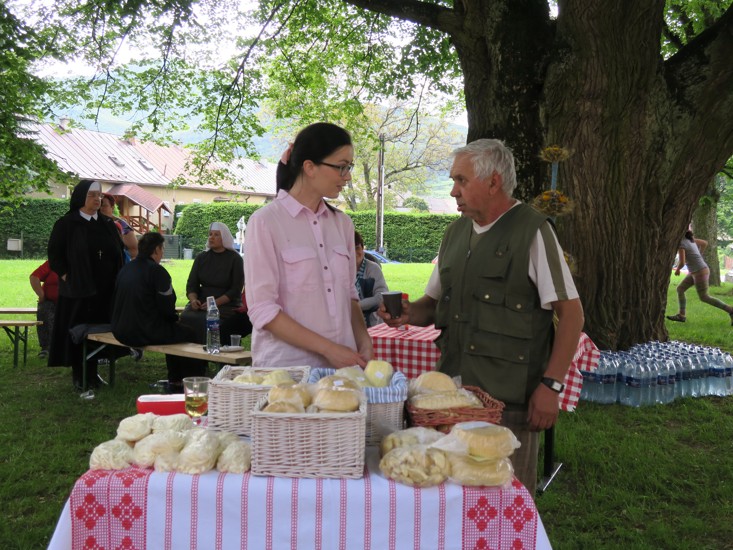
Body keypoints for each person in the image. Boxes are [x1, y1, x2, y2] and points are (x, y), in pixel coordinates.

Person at [378, 139, 584, 495]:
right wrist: (410, 314)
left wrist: (551, 386)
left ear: (493, 182)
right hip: (452, 400)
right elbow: (433, 303)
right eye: (453, 181)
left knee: (506, 497)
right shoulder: (454, 233)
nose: (453, 191)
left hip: (509, 403)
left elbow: (571, 314)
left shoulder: (532, 231)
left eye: (461, 180)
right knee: (451, 496)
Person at [244, 122, 372, 369]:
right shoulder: (265, 222)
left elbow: (349, 295)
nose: (347, 176)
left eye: (349, 167)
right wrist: (328, 349)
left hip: (342, 371)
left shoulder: (342, 224)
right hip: (287, 372)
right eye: (341, 167)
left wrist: (364, 341)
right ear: (310, 167)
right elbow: (263, 309)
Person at [47, 179, 125, 390]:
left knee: (99, 332)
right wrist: (67, 277)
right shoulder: (67, 224)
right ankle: (79, 375)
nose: (97, 199)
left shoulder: (107, 224)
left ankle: (93, 373)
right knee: (78, 333)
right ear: (81, 197)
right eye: (92, 195)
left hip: (105, 291)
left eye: (99, 195)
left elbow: (118, 252)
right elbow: (55, 255)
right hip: (78, 291)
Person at [111, 232, 206, 390]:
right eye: (162, 249)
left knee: (173, 331)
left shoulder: (126, 269)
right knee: (189, 333)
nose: (162, 253)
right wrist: (174, 319)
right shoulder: (157, 271)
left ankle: (176, 380)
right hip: (142, 331)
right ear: (156, 250)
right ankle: (192, 383)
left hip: (119, 329)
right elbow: (167, 308)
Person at [180, 222, 245, 346]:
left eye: (216, 235)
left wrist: (215, 303)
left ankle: (211, 351)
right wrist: (193, 300)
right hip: (202, 303)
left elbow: (235, 289)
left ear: (224, 237)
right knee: (186, 317)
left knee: (208, 319)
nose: (211, 237)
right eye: (210, 234)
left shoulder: (235, 259)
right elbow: (192, 284)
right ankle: (189, 356)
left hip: (226, 304)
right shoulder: (201, 258)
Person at [667, 230, 733, 324]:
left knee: (704, 297)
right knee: (680, 289)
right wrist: (699, 254)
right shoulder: (690, 240)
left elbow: (682, 262)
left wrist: (677, 269)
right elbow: (704, 243)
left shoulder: (681, 243)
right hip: (695, 271)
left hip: (700, 272)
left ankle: (730, 310)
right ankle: (681, 315)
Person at [355, 230, 388, 327]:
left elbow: (381, 297)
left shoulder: (373, 268)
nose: (354, 252)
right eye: (349, 249)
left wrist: (354, 306)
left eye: (357, 248)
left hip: (372, 324)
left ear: (362, 249)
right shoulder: (339, 271)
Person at [29, 260, 59, 358]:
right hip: (50, 301)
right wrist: (41, 295)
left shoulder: (81, 263)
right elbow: (34, 277)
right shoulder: (52, 262)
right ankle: (46, 347)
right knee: (45, 309)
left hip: (70, 301)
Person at [100, 193, 138, 260]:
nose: (100, 208)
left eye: (104, 206)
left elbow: (135, 250)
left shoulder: (123, 225)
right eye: (99, 205)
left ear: (112, 207)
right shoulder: (94, 222)